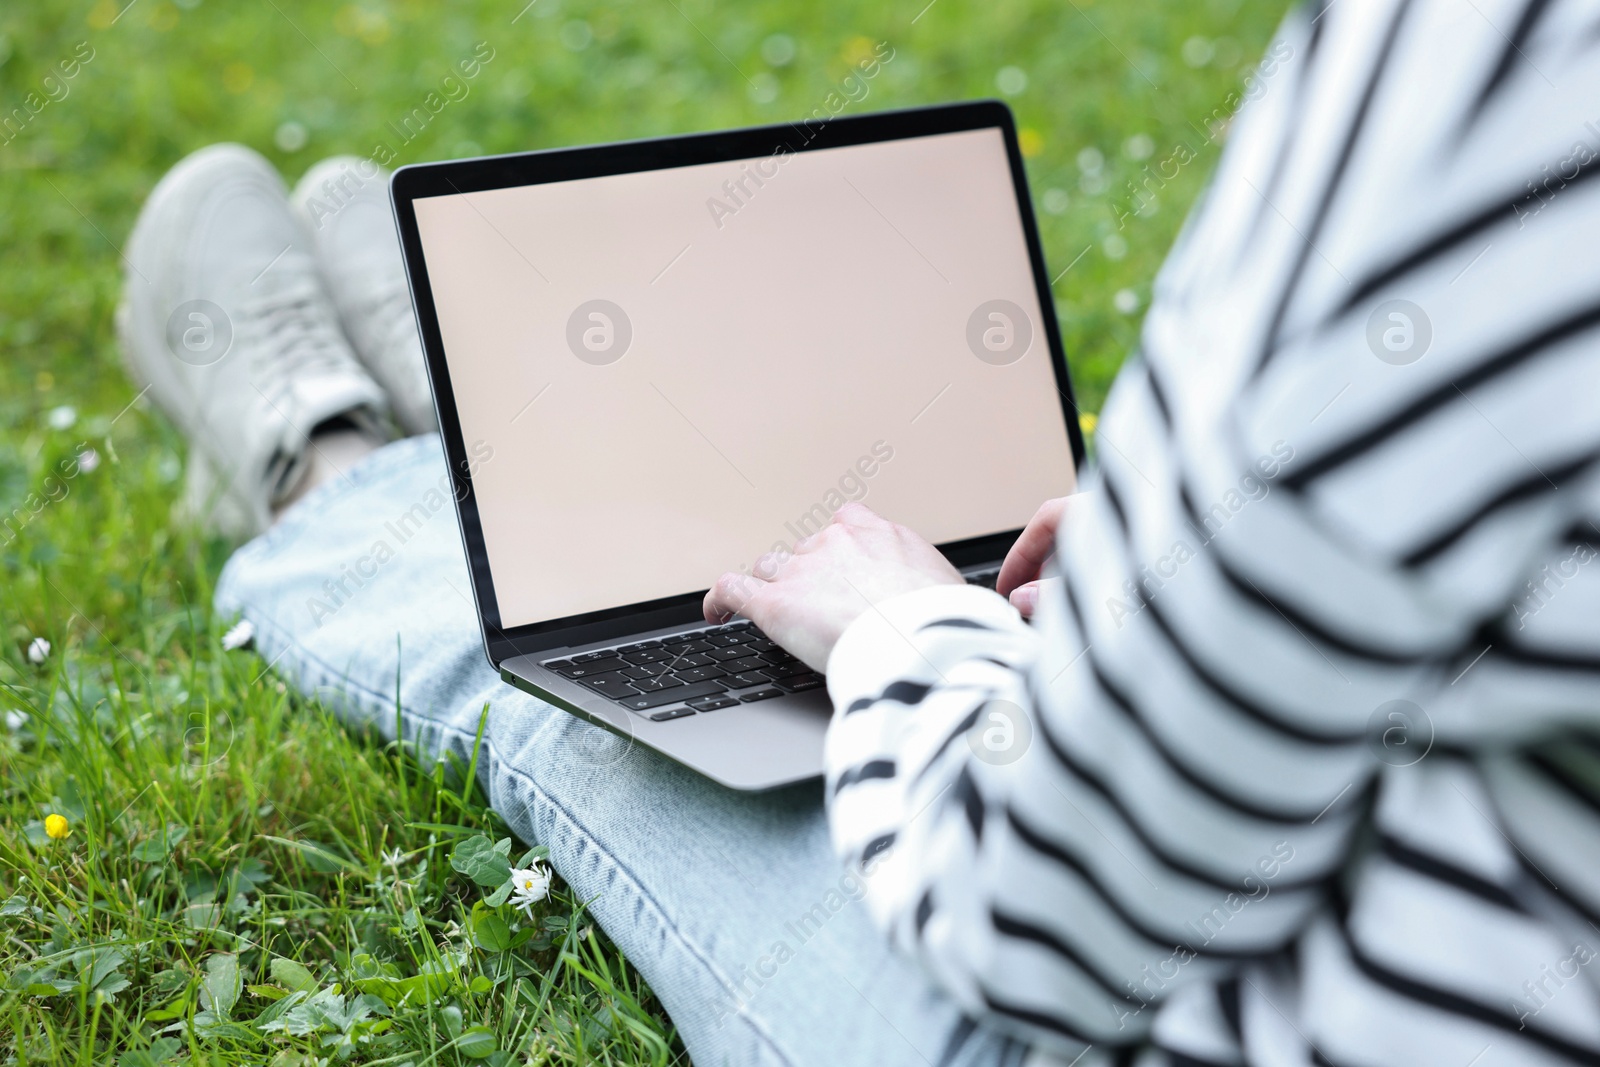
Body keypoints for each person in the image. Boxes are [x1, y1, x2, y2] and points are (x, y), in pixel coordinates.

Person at [118, 0, 1600, 1063]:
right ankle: (467, 419)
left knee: (591, 717)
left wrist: (905, 627)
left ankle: (338, 468)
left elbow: (1059, 917)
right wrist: (1217, 580)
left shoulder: (1500, 71)